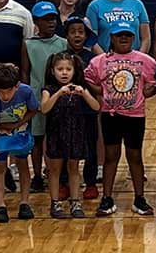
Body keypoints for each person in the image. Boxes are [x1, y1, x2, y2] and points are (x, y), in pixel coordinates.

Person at [84, 21, 156, 216]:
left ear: (133, 37)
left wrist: (146, 93)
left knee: (135, 156)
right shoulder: (101, 61)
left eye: (127, 35)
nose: (123, 38)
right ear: (111, 38)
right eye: (119, 35)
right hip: (111, 116)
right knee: (111, 156)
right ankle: (107, 198)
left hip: (135, 116)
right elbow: (89, 79)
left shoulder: (144, 60)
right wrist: (102, 93)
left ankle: (139, 198)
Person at [39, 52, 99, 219]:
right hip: (56, 134)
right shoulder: (48, 90)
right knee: (55, 169)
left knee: (74, 168)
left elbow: (96, 107)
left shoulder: (79, 88)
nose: (64, 72)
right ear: (52, 71)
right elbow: (44, 108)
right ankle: (55, 202)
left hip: (76, 133)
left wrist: (84, 93)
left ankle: (75, 201)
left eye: (68, 69)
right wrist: (58, 94)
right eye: (60, 69)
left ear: (74, 71)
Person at [0, 64, 40, 223]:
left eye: (9, 91)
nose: (5, 96)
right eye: (0, 91)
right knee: (0, 167)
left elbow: (33, 109)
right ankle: (0, 205)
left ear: (17, 86)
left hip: (20, 133)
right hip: (0, 134)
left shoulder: (26, 91)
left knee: (23, 164)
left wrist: (17, 124)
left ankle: (24, 202)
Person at [21, 1, 67, 194]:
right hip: (36, 96)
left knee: (58, 137)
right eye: (46, 19)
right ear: (36, 21)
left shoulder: (62, 43)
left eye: (53, 19)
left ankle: (57, 173)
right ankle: (37, 175)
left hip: (58, 96)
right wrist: (26, 96)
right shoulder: (28, 44)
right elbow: (25, 71)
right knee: (37, 138)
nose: (51, 23)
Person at [62, 16, 100, 200]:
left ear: (86, 36)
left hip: (87, 110)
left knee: (90, 147)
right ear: (66, 35)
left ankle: (91, 182)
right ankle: (64, 183)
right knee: (64, 147)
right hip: (65, 111)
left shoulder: (93, 59)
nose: (77, 35)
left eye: (81, 32)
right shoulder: (60, 58)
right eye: (73, 32)